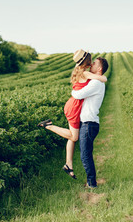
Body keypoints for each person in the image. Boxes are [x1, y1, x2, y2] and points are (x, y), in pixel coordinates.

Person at [37, 49, 107, 179]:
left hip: (73, 105)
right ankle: (49, 126)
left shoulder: (79, 70)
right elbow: (102, 77)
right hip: (74, 106)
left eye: (94, 63)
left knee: (72, 137)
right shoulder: (86, 73)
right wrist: (103, 77)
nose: (92, 64)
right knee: (74, 137)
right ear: (86, 62)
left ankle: (69, 164)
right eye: (91, 61)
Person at [71, 56, 108, 188]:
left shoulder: (96, 83)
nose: (91, 64)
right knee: (86, 154)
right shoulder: (96, 81)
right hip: (89, 123)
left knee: (85, 155)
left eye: (94, 63)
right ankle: (91, 181)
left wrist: (73, 89)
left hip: (88, 124)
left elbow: (77, 94)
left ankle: (92, 184)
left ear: (99, 68)